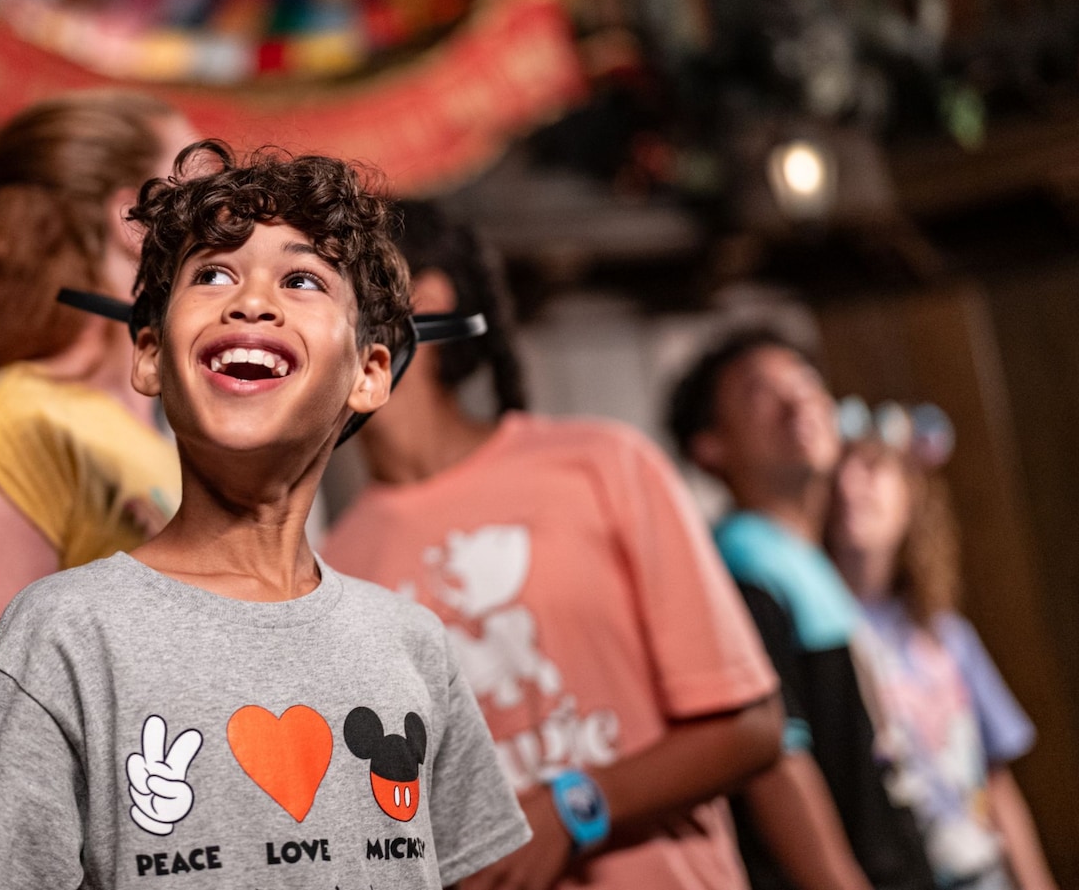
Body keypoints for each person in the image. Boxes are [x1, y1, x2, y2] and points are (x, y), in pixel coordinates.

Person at [0, 143, 531, 889]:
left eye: (303, 278)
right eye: (212, 273)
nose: (250, 300)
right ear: (151, 355)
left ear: (370, 372)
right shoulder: (66, 632)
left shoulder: (411, 644)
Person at [322, 201, 783, 890]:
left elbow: (752, 729)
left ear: (426, 297)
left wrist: (571, 809)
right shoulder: (327, 569)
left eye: (309, 282)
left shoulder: (603, 465)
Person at [0, 90, 197, 848]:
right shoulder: (3, 428)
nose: (233, 219)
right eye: (198, 189)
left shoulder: (157, 437)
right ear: (134, 219)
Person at [668, 329, 934, 890]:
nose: (799, 401)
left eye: (806, 382)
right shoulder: (742, 565)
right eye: (760, 392)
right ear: (710, 447)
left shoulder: (802, 558)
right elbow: (774, 760)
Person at [826, 414, 1056, 890]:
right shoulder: (823, 636)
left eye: (872, 469)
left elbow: (996, 779)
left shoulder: (947, 634)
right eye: (838, 472)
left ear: (911, 496)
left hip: (981, 872)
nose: (851, 487)